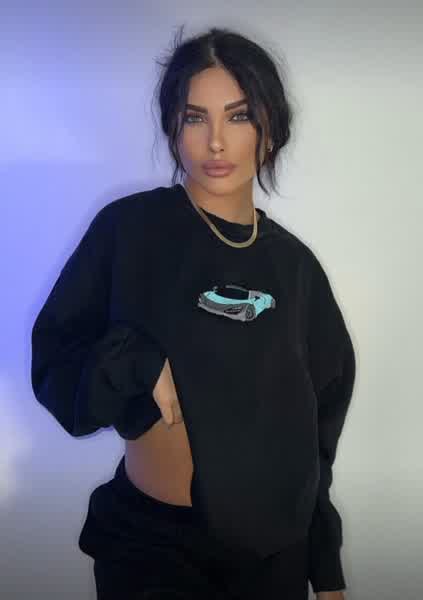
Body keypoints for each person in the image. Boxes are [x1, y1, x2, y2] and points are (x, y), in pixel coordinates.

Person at [30, 25, 356, 600]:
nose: (216, 143)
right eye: (194, 118)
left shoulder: (296, 268)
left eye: (238, 116)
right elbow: (55, 363)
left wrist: (324, 564)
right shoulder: (129, 231)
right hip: (151, 551)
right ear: (173, 128)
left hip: (272, 556)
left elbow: (316, 435)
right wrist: (134, 360)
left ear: (270, 129)